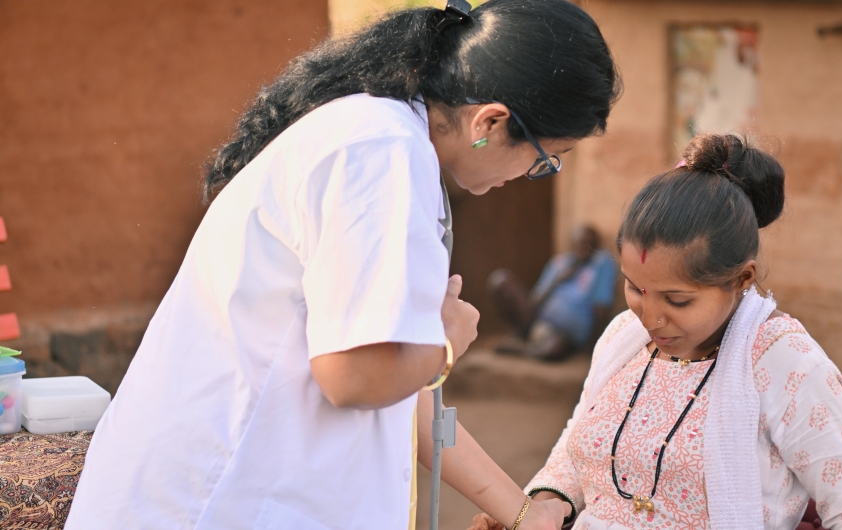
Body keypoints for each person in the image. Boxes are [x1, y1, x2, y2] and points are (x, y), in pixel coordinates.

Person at [64, 0, 621, 529]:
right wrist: (443, 342)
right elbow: (358, 376)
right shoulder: (380, 153)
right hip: (213, 500)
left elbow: (404, 392)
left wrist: (524, 512)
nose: (531, 175)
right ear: (490, 123)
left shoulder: (391, 148)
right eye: (546, 160)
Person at [470, 134, 842, 529]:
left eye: (677, 300)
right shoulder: (622, 338)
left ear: (742, 279)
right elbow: (576, 452)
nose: (649, 318)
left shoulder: (786, 363)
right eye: (634, 288)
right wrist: (532, 512)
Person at [488, 225, 617, 360]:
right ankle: (522, 335)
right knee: (500, 281)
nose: (584, 247)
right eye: (580, 243)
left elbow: (601, 308)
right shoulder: (560, 263)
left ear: (596, 246)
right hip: (537, 319)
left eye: (589, 243)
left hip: (565, 333)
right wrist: (557, 280)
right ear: (572, 245)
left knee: (552, 351)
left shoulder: (601, 264)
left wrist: (592, 346)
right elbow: (534, 301)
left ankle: (520, 348)